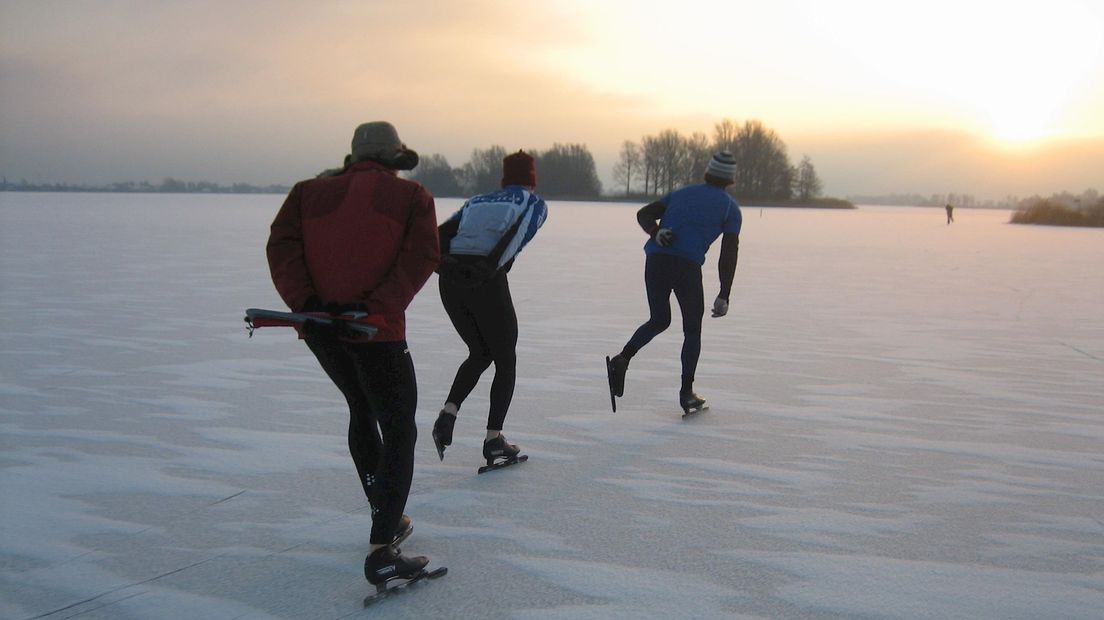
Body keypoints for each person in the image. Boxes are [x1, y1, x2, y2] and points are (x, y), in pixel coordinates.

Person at [266, 121, 440, 588]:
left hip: (322, 328)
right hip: (374, 331)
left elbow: (281, 248)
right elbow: (422, 257)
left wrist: (308, 304)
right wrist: (377, 308)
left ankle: (384, 511)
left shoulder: (307, 192)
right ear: (394, 156)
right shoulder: (413, 197)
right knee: (400, 426)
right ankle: (383, 546)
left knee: (361, 408)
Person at [431, 151, 548, 468]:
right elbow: (517, 237)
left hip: (450, 281)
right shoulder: (533, 203)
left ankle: (448, 414)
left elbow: (439, 235)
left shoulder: (477, 200)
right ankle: (494, 439)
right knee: (505, 358)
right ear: (532, 179)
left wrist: (442, 265)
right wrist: (490, 267)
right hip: (483, 278)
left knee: (481, 352)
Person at [606, 151, 742, 415]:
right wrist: (724, 292)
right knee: (692, 330)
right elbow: (729, 253)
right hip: (686, 268)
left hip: (656, 260)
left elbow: (645, 213)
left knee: (659, 319)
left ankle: (622, 359)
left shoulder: (682, 193)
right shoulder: (730, 208)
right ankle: (686, 393)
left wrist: (655, 232)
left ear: (708, 172)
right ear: (730, 179)